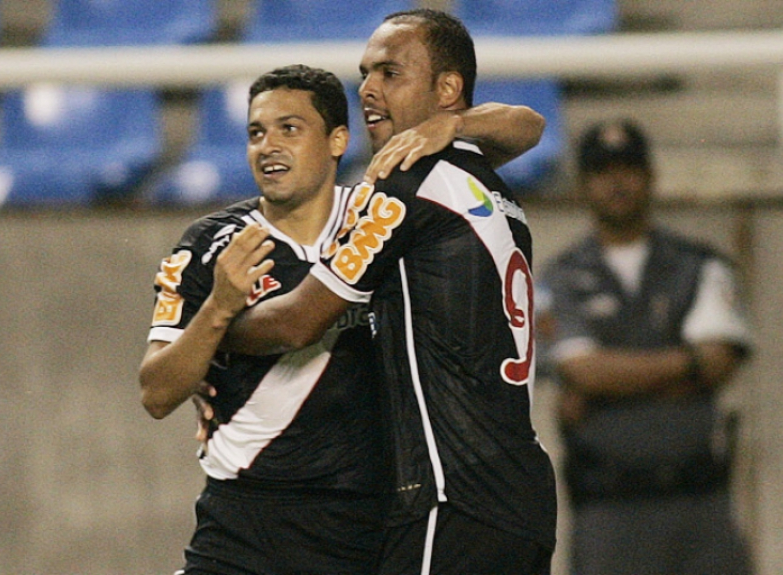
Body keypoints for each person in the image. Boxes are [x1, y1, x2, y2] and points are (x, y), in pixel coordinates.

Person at [140, 60, 544, 574]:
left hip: (366, 528)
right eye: (255, 133)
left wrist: (456, 124)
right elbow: (155, 392)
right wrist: (217, 309)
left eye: (290, 129)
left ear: (337, 141)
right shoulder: (210, 244)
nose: (269, 147)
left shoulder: (383, 217)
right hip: (245, 527)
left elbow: (527, 125)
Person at [538, 118, 754, 575]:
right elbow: (580, 371)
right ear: (583, 185)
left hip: (700, 503)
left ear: (651, 176)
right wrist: (686, 365)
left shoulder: (698, 264)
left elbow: (720, 359)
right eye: (602, 171)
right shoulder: (560, 277)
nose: (617, 182)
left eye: (629, 168)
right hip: (609, 510)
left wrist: (609, 379)